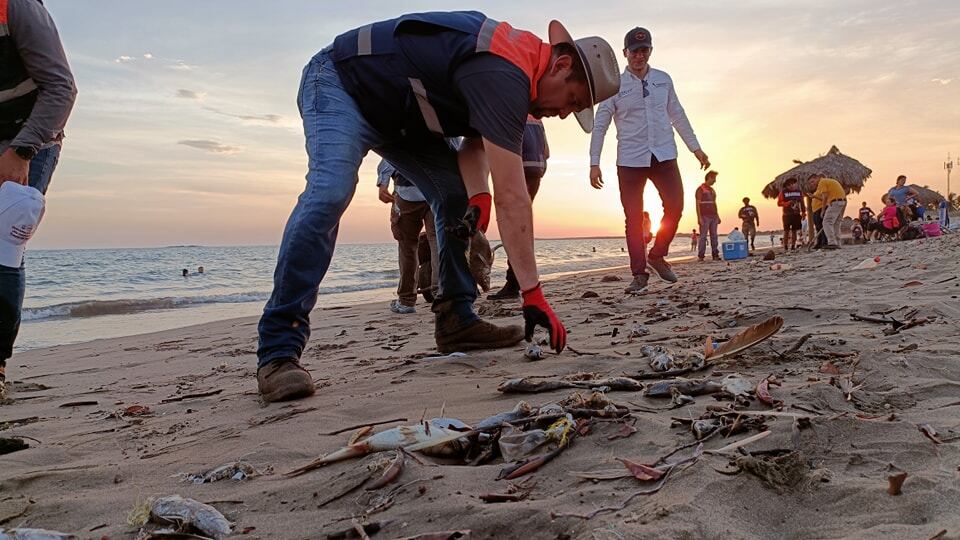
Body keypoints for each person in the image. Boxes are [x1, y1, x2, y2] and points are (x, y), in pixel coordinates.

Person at [255, 12, 620, 402]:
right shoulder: (505, 69)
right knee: (330, 189)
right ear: (561, 65)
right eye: (573, 100)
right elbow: (513, 198)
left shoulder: (516, 77)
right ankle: (278, 350)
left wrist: (478, 197)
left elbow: (476, 144)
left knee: (455, 196)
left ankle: (456, 320)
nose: (564, 113)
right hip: (341, 84)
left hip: (403, 122)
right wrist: (532, 293)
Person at [589, 26, 710, 293]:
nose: (639, 56)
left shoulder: (663, 80)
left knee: (676, 206)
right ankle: (639, 273)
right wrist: (594, 162)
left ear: (650, 51)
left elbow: (677, 114)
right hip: (630, 160)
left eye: (644, 51)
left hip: (664, 154)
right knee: (633, 218)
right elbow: (600, 125)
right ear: (625, 53)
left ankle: (657, 254)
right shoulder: (613, 86)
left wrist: (695, 148)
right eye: (634, 51)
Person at [0, 0, 77, 398]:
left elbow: (62, 87)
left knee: (3, 244)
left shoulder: (16, 8)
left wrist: (22, 151)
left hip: (30, 137)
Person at [488, 116, 549, 300]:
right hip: (535, 169)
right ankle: (522, 280)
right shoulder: (537, 114)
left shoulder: (512, 108)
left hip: (519, 166)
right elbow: (546, 150)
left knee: (513, 225)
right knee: (521, 224)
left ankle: (515, 282)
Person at [377, 159, 438, 314]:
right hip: (436, 188)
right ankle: (442, 294)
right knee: (438, 242)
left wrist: (382, 183)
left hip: (407, 192)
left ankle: (406, 301)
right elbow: (455, 145)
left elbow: (390, 150)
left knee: (407, 246)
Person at [808, 174, 847, 249]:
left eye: (813, 181)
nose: (812, 184)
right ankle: (837, 243)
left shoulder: (822, 182)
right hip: (841, 201)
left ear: (817, 178)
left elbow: (825, 197)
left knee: (826, 222)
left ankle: (832, 242)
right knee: (835, 223)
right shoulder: (829, 181)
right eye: (810, 183)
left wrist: (823, 211)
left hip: (835, 202)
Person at [696, 171, 720, 261]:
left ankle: (715, 254)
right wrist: (699, 217)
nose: (715, 181)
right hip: (704, 216)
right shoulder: (700, 189)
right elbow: (697, 204)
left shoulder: (712, 190)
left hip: (713, 216)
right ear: (709, 177)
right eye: (714, 178)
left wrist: (718, 216)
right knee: (703, 236)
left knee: (714, 236)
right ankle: (701, 256)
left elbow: (714, 203)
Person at [777, 177, 805, 251]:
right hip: (786, 214)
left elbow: (802, 203)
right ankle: (785, 246)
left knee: (794, 231)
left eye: (793, 184)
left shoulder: (799, 192)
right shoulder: (783, 192)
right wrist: (787, 203)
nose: (792, 186)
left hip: (796, 214)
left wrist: (804, 212)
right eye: (789, 185)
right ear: (786, 186)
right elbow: (779, 203)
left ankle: (793, 246)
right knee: (786, 231)